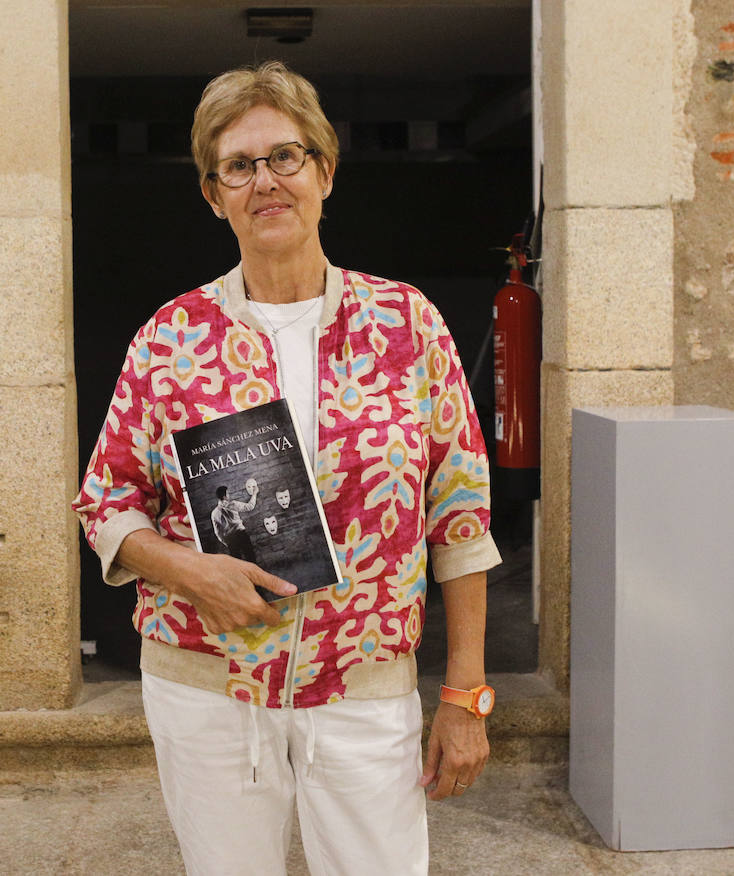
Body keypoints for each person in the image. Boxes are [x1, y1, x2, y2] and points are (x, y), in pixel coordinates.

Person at [72, 60, 501, 876]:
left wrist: (465, 695)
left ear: (324, 173)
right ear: (213, 193)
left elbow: (462, 517)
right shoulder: (171, 337)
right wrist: (188, 571)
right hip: (207, 685)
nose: (264, 181)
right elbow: (106, 501)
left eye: (285, 157)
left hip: (363, 684)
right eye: (238, 166)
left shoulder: (406, 325)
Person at [210, 484, 258, 561]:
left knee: (238, 562)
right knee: (250, 557)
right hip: (241, 534)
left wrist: (226, 542)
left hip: (230, 540)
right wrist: (255, 493)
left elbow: (218, 532)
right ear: (224, 496)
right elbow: (250, 506)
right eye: (228, 493)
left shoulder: (214, 513)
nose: (229, 495)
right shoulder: (233, 504)